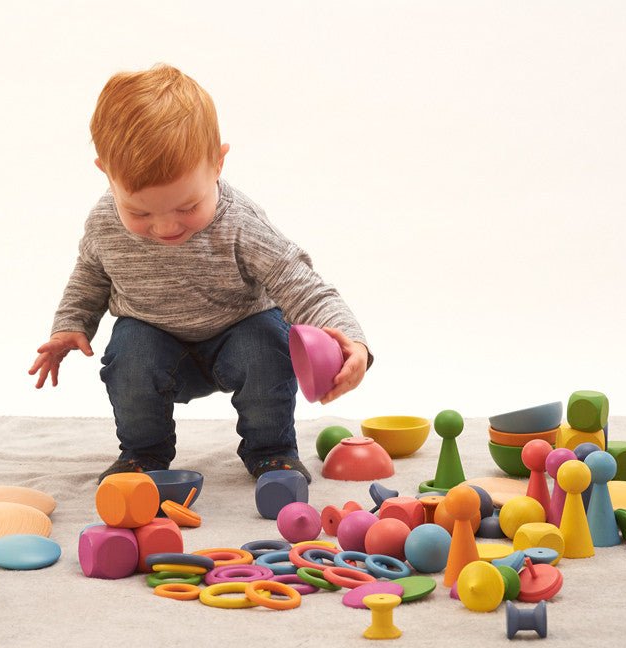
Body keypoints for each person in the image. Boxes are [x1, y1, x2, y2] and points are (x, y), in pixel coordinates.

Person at [28, 64, 371, 484]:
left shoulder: (240, 224)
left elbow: (300, 284)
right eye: (139, 212)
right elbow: (90, 275)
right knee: (127, 357)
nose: (167, 227)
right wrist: (70, 325)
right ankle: (143, 455)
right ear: (106, 174)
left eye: (187, 207)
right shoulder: (103, 222)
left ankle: (271, 451)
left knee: (267, 345)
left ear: (218, 164)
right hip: (154, 337)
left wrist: (353, 342)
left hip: (238, 332)